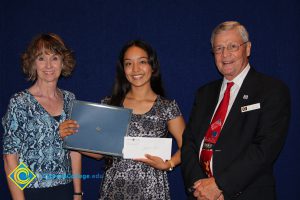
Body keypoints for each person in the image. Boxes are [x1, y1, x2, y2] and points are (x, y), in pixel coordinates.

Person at [60, 40, 185, 199]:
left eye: (142, 62)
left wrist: (169, 164)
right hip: (114, 189)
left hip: (153, 191)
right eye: (128, 64)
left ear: (152, 66)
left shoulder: (167, 107)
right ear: (123, 69)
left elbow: (188, 146)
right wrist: (71, 138)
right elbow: (99, 153)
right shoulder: (110, 105)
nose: (135, 69)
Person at [181, 21, 291, 200]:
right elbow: (189, 144)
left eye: (232, 46)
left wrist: (220, 186)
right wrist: (200, 188)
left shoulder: (271, 90)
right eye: (219, 48)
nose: (225, 54)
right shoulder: (204, 93)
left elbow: (265, 149)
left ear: (247, 49)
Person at [2, 33, 82, 200]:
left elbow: (75, 150)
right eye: (41, 58)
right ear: (33, 63)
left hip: (65, 189)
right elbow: (10, 158)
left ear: (63, 62)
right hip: (31, 190)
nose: (48, 65)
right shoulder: (20, 102)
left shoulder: (70, 99)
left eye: (54, 58)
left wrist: (77, 193)